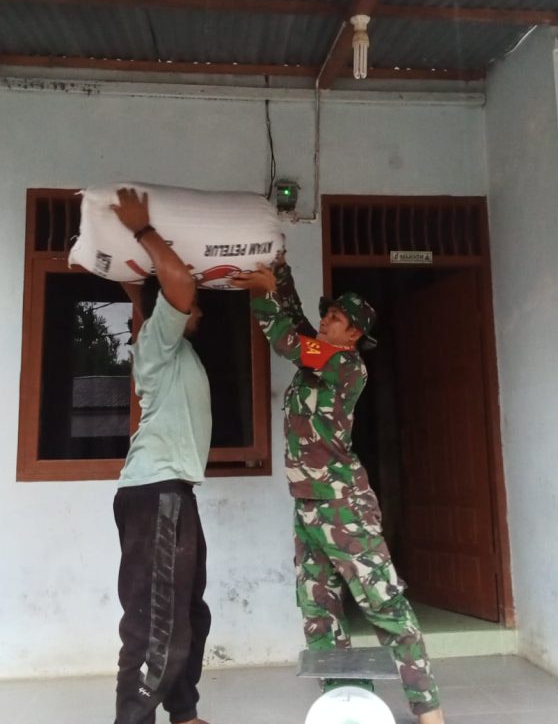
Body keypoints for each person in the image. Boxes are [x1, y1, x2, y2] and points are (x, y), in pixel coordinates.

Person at [231, 257, 444, 724]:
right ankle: (342, 702)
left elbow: (285, 338)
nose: (326, 321)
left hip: (343, 505)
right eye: (326, 314)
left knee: (383, 603)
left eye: (336, 318)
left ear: (353, 335)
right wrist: (279, 272)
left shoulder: (346, 364)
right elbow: (295, 320)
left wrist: (262, 294)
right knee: (318, 609)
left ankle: (429, 711)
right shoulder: (319, 352)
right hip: (308, 504)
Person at [111, 188, 212, 724]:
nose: (198, 309)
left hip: (173, 493)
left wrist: (131, 284)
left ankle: (183, 711)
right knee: (155, 621)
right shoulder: (158, 340)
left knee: (188, 611)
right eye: (192, 306)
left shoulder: (167, 347)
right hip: (156, 493)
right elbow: (180, 284)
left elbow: (154, 300)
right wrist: (141, 229)